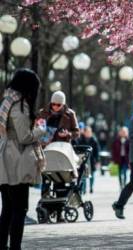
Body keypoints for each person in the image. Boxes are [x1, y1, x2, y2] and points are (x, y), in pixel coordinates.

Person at [0, 69, 46, 250]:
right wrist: (41, 129)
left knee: (8, 209)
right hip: (16, 160)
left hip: (6, 159)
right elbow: (25, 137)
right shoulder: (20, 105)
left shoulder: (7, 101)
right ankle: (15, 247)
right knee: (19, 209)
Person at [38, 90, 79, 221]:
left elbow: (76, 132)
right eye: (53, 104)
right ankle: (44, 209)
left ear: (63, 104)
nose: (55, 107)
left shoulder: (70, 114)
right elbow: (35, 129)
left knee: (60, 181)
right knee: (46, 179)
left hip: (61, 150)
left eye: (58, 104)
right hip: (45, 149)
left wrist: (68, 134)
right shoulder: (42, 113)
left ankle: (59, 212)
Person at [75, 126, 100, 194]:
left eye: (90, 132)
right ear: (84, 132)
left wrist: (97, 160)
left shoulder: (94, 140)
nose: (89, 133)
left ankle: (91, 187)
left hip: (92, 160)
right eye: (87, 132)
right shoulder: (80, 139)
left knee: (92, 175)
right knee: (83, 175)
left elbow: (97, 151)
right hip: (84, 160)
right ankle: (84, 189)